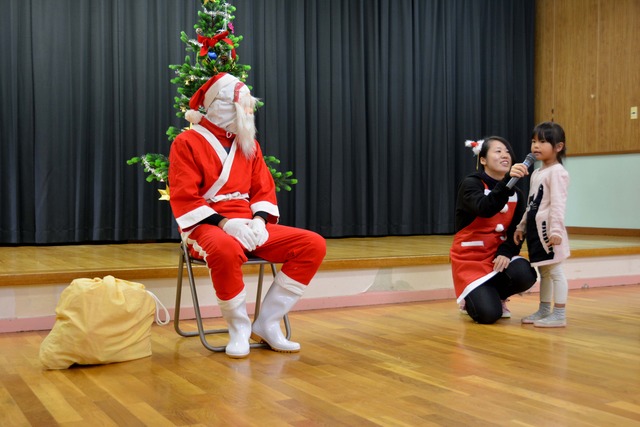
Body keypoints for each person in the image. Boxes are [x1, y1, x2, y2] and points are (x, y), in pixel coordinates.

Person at [168, 72, 326, 358]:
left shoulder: (248, 145)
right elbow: (184, 197)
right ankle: (238, 328)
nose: (247, 113)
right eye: (242, 106)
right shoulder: (186, 143)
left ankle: (267, 322)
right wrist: (226, 224)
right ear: (221, 105)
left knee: (312, 244)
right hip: (206, 224)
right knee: (226, 248)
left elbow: (263, 188)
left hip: (248, 222)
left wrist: (259, 221)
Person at [450, 136, 537, 324]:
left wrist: (506, 252)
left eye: (507, 152)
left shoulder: (518, 194)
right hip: (470, 259)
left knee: (525, 273)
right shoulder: (471, 184)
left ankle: (497, 295)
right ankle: (470, 299)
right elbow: (485, 208)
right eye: (498, 151)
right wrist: (507, 182)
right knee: (489, 315)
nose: (505, 155)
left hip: (496, 257)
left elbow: (517, 231)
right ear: (483, 160)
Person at [512, 122, 570, 328]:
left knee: (555, 272)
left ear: (558, 147)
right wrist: (522, 226)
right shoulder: (537, 173)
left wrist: (555, 230)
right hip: (536, 230)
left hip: (549, 232)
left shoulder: (558, 172)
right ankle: (545, 309)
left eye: (543, 141)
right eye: (534, 141)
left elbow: (557, 205)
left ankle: (560, 314)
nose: (536, 146)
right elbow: (532, 203)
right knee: (544, 272)